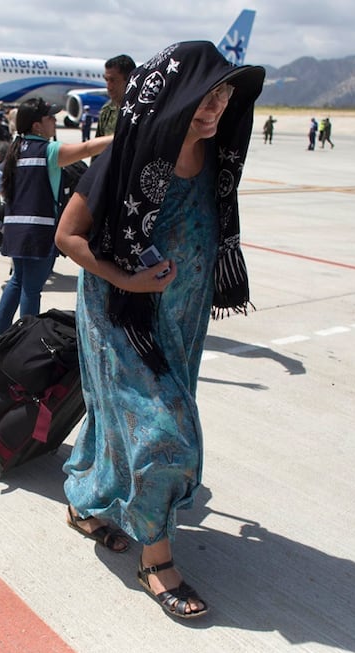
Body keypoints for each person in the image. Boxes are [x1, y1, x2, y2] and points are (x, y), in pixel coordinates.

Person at [55, 41, 265, 620]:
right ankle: (156, 559)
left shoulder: (214, 160)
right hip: (121, 316)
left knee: (115, 420)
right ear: (172, 94)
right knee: (164, 430)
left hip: (181, 318)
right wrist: (131, 279)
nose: (215, 106)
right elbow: (68, 237)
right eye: (205, 94)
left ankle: (83, 504)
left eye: (224, 96)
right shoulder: (127, 157)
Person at [0, 99, 111, 337]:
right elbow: (87, 149)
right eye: (50, 118)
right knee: (32, 289)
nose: (55, 121)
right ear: (37, 126)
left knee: (17, 281)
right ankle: (27, 337)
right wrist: (123, 135)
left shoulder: (15, 149)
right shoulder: (49, 150)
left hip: (15, 229)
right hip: (39, 231)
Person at [96, 55, 136, 138]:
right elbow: (98, 147)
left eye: (113, 80)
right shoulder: (107, 111)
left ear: (129, 80)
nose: (108, 87)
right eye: (106, 80)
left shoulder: (144, 111)